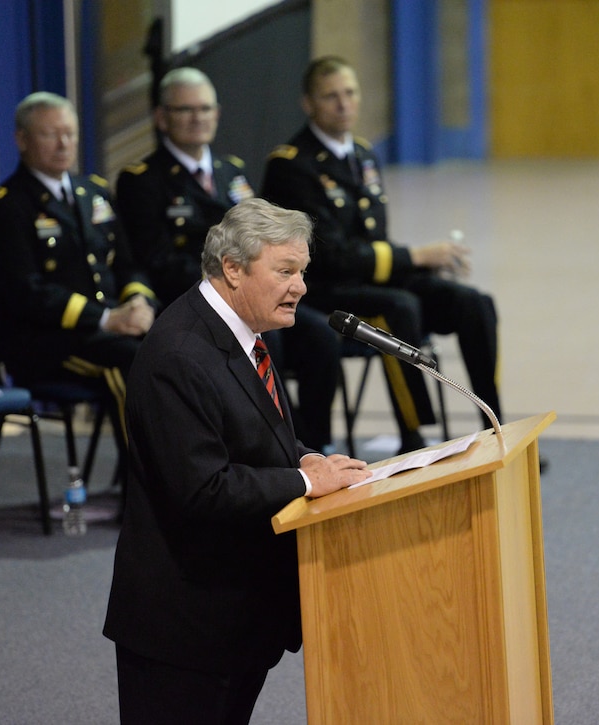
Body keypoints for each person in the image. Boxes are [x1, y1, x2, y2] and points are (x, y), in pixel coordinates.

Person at [103, 198, 371, 724]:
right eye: (286, 271)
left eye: (303, 271)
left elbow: (253, 434)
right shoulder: (178, 355)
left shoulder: (240, 336)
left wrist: (310, 459)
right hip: (183, 630)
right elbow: (202, 490)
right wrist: (302, 480)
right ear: (232, 268)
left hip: (234, 620)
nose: (301, 287)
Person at [261, 55, 501, 454]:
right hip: (325, 289)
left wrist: (418, 262)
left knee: (474, 303)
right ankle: (415, 438)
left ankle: (494, 424)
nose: (344, 104)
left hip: (374, 278)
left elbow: (375, 237)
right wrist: (416, 256)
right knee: (400, 306)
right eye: (331, 96)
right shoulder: (291, 165)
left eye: (350, 93)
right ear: (308, 104)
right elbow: (331, 255)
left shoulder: (363, 154)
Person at [117, 66, 341, 452]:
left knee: (321, 336)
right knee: (271, 337)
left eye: (205, 108)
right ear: (161, 117)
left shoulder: (230, 171)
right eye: (185, 109)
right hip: (200, 296)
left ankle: (312, 444)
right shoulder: (142, 179)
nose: (197, 118)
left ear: (217, 113)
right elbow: (153, 258)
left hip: (250, 286)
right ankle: (278, 448)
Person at [0, 91, 158, 450]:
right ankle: (145, 487)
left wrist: (138, 303)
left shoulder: (95, 193)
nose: (64, 143)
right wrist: (107, 319)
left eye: (70, 133)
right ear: (22, 140)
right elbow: (26, 292)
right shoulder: (4, 207)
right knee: (130, 360)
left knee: (175, 344)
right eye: (50, 134)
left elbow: (128, 264)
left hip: (108, 332)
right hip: (42, 342)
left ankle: (183, 471)